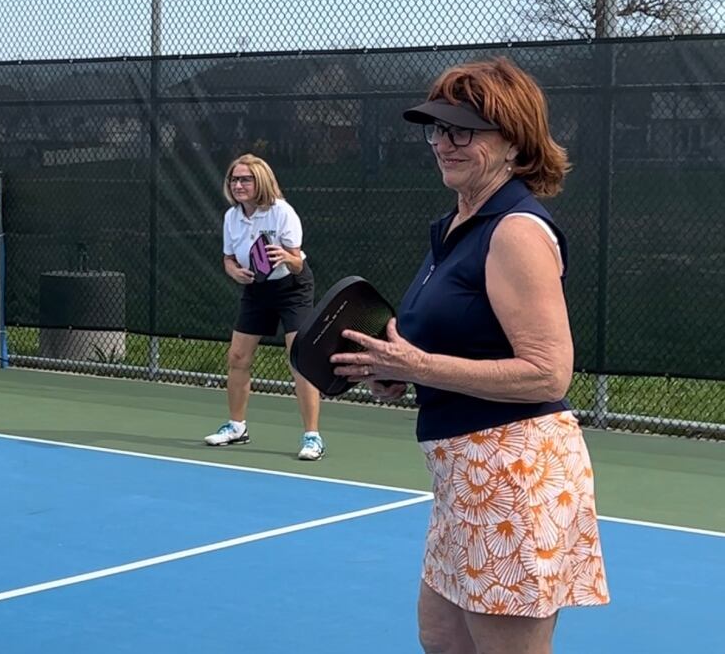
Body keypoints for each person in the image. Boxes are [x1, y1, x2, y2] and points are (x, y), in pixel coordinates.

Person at [331, 57, 609, 652]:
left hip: (513, 477)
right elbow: (443, 347)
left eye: (463, 130)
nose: (444, 143)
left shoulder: (514, 231)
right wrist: (394, 372)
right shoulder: (457, 227)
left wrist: (420, 368)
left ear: (513, 142)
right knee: (442, 639)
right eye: (437, 128)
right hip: (463, 480)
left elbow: (548, 372)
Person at [204, 153, 325, 461]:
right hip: (255, 289)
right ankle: (236, 427)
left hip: (292, 288)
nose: (238, 184)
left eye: (246, 179)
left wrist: (286, 257)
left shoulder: (282, 213)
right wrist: (234, 272)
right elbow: (228, 259)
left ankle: (312, 437)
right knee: (238, 356)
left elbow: (297, 263)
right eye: (234, 179)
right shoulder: (232, 217)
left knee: (299, 357)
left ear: (261, 182)